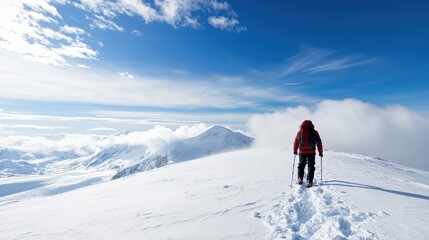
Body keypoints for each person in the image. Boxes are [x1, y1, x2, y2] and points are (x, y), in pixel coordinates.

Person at [293, 120, 323, 187]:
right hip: (311, 151)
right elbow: (319, 142)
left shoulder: (299, 132)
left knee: (301, 165)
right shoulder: (314, 132)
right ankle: (310, 181)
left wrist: (295, 150)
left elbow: (296, 142)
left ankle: (300, 179)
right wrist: (320, 152)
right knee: (311, 166)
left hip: (302, 152)